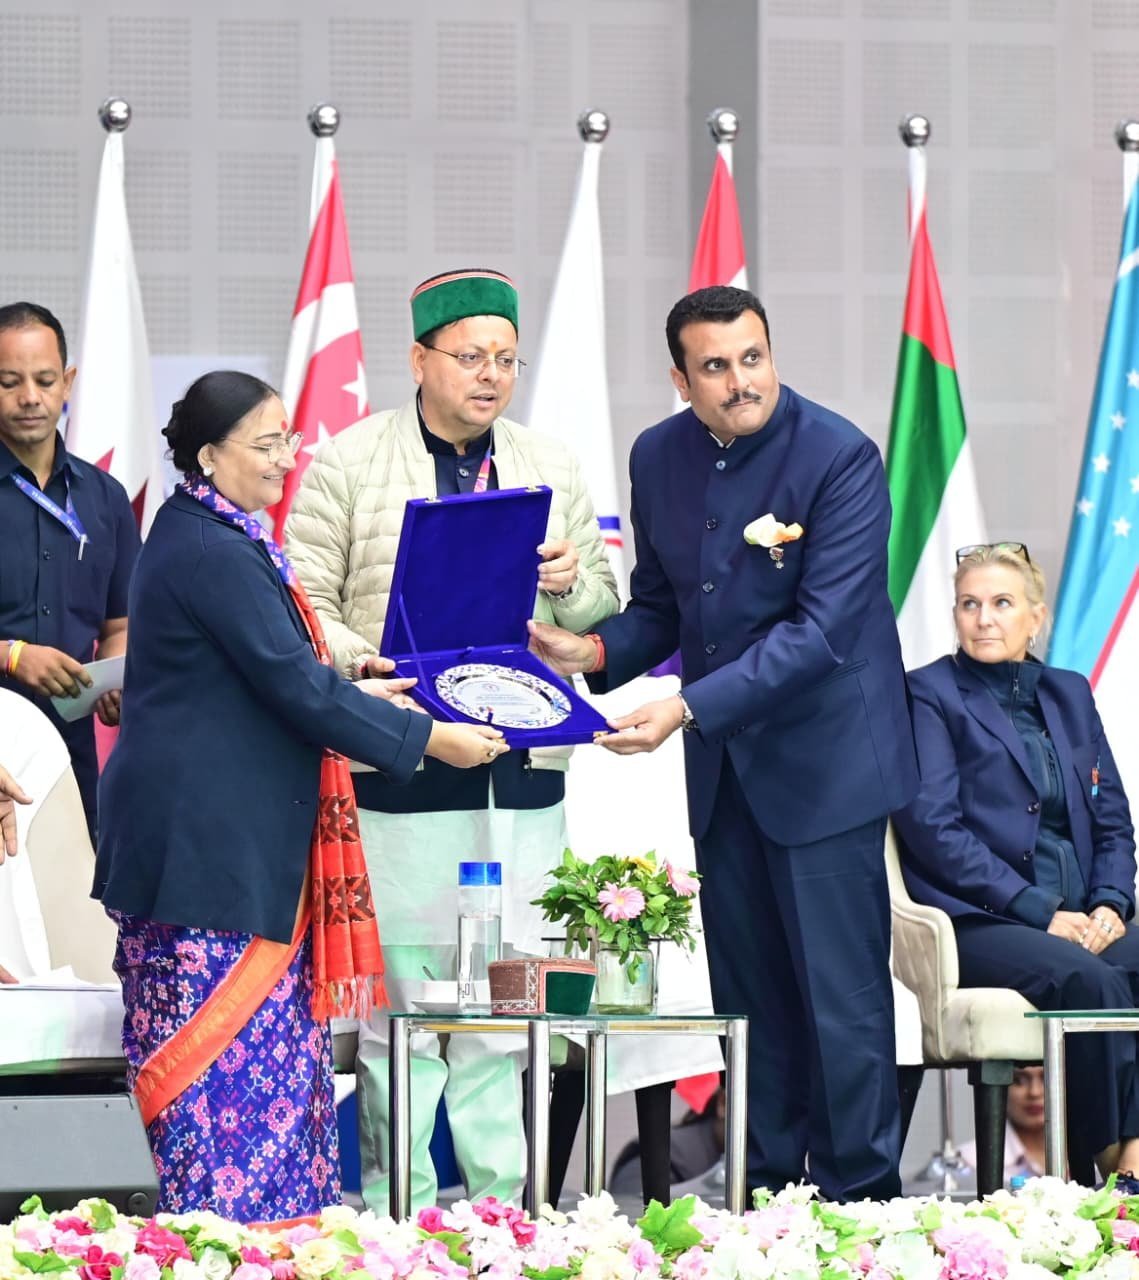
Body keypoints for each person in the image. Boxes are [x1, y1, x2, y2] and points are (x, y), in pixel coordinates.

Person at [527, 285, 918, 1202]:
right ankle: (767, 1195)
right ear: (680, 379)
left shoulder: (839, 456)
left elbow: (822, 632)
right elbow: (663, 606)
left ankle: (861, 1207)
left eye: (752, 358)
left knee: (840, 999)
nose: (740, 381)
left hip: (826, 766)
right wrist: (592, 652)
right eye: (714, 367)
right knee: (747, 1000)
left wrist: (684, 709)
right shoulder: (657, 454)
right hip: (724, 771)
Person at [93, 370, 507, 1221]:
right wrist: (433, 739)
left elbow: (271, 680)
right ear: (209, 457)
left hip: (229, 844)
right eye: (267, 443)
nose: (288, 457)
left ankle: (273, 1238)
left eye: (288, 437)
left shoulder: (216, 532)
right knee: (217, 1070)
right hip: (205, 854)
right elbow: (294, 689)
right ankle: (218, 1245)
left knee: (268, 1065)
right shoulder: (209, 549)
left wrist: (364, 696)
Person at [285, 267, 619, 1211]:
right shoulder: (348, 461)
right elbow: (301, 603)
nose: (490, 375)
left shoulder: (549, 464)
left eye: (506, 359)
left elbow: (601, 609)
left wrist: (566, 583)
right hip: (402, 766)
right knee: (407, 1010)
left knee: (507, 1008)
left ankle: (504, 1211)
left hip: (522, 773)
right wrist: (367, 667)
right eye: (471, 357)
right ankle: (400, 1210)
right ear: (419, 359)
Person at [891, 542, 1139, 1184]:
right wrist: (1040, 911)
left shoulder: (1069, 693)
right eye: (969, 604)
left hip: (1082, 916)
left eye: (1002, 603)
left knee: (1119, 960)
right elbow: (933, 829)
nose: (984, 619)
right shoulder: (928, 692)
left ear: (1036, 617)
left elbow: (1112, 818)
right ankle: (1107, 1172)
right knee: (1091, 983)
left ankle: (1130, 1158)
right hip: (980, 920)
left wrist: (1111, 903)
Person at [0, 302, 139, 841]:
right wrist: (13, 656)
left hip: (69, 757)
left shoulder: (105, 498)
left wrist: (113, 677)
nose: (30, 397)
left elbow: (119, 623)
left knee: (75, 891)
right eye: (9, 382)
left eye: (44, 380)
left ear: (68, 382)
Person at [959, 1065, 1045, 1185]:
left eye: (1046, 1078)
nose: (1035, 1092)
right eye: (1019, 1080)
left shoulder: (1074, 1155)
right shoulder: (968, 1162)